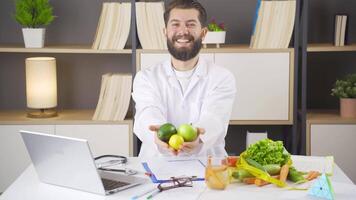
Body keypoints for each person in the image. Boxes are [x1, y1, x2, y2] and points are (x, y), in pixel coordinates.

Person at [132, 0, 236, 158]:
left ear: (203, 33)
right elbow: (147, 112)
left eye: (191, 24)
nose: (183, 31)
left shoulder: (222, 77)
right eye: (175, 24)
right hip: (157, 166)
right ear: (165, 32)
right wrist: (158, 136)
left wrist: (198, 138)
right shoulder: (146, 77)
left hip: (208, 170)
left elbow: (215, 118)